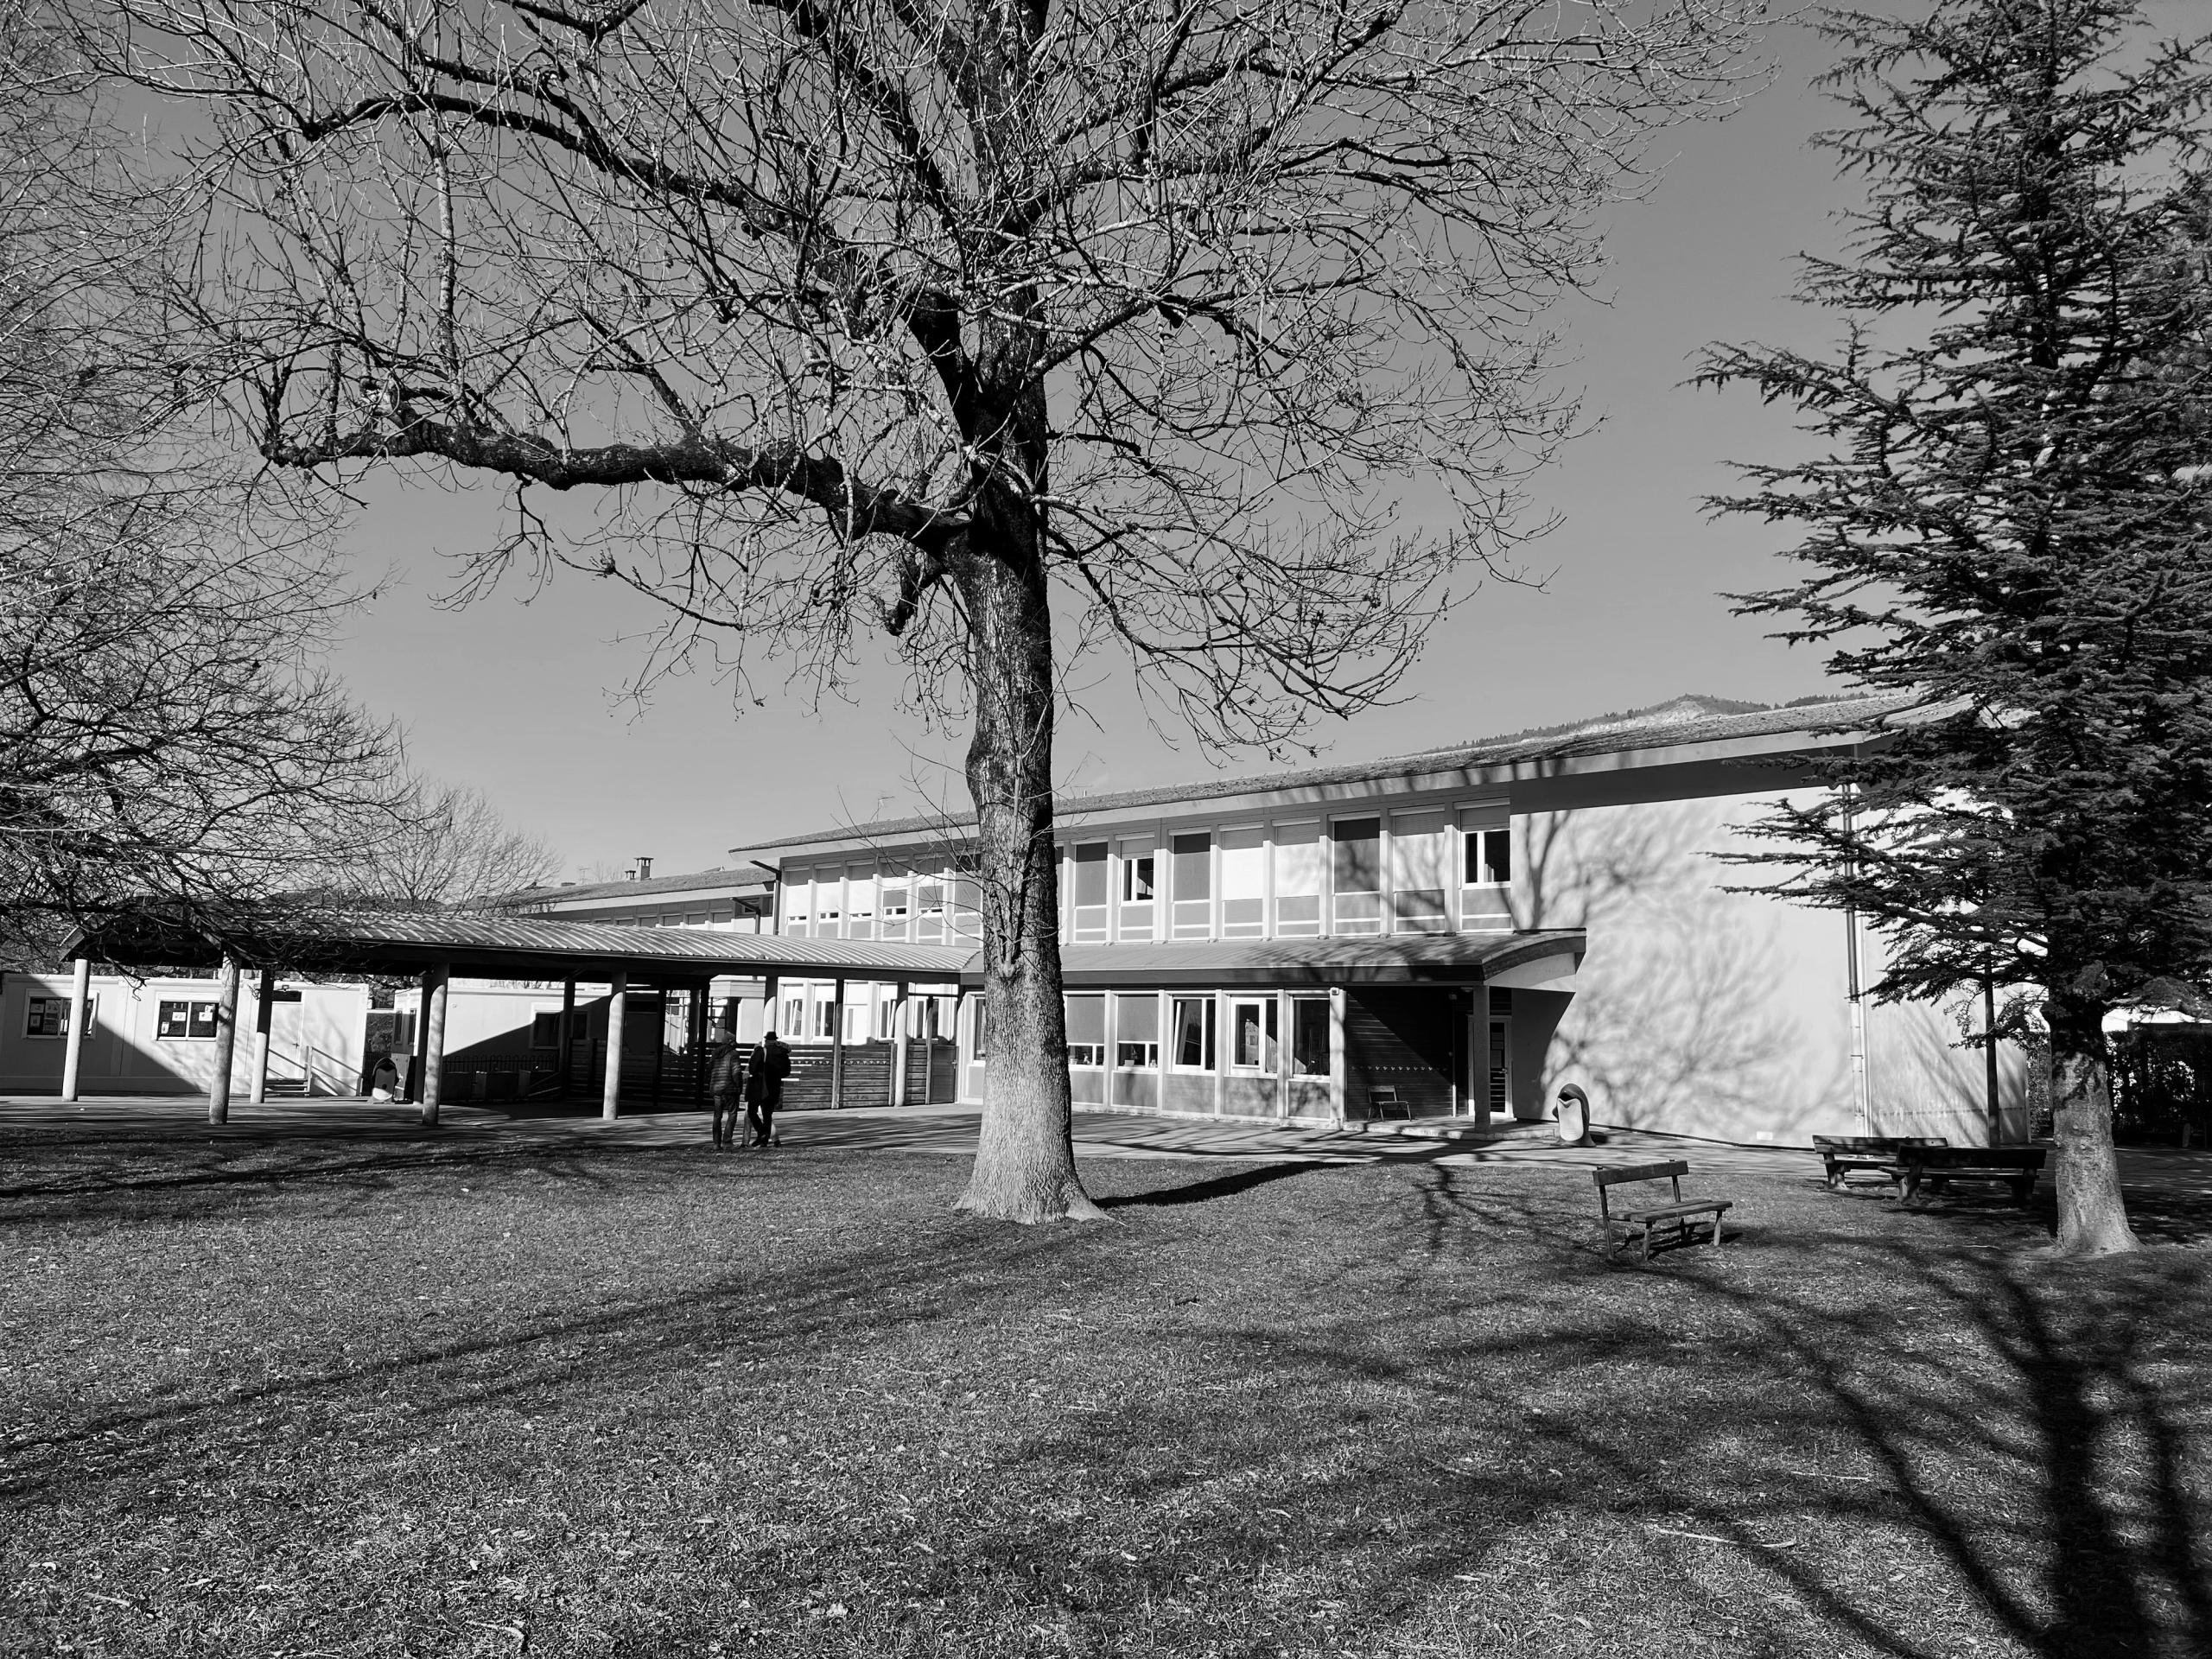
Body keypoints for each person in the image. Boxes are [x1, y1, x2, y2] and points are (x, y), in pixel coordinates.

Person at [747, 1028, 792, 1147]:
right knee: (767, 1115)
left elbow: (753, 1069)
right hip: (774, 1087)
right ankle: (764, 1141)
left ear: (767, 1041)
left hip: (760, 1086)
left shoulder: (762, 1051)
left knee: (752, 1111)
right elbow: (786, 1072)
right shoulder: (783, 1054)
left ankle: (762, 1133)